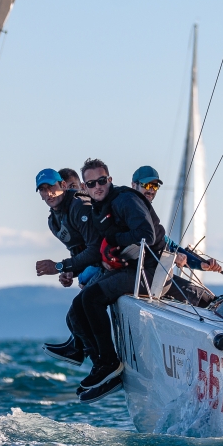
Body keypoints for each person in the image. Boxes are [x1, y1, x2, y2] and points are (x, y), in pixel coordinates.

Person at [67, 158, 168, 403]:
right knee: (79, 305)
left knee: (92, 299)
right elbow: (100, 246)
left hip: (150, 271)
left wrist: (115, 238)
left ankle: (110, 363)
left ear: (110, 180)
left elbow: (147, 235)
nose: (97, 187)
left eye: (102, 181)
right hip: (131, 268)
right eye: (91, 184)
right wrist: (69, 266)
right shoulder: (98, 208)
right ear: (85, 186)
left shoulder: (125, 200)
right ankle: (101, 365)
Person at [34, 168, 103, 366]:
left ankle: (102, 364)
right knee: (75, 314)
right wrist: (70, 272)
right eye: (43, 190)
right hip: (92, 266)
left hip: (109, 263)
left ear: (63, 186)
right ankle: (82, 353)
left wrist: (59, 266)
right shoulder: (54, 220)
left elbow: (96, 249)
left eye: (52, 187)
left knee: (77, 311)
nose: (48, 193)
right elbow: (78, 251)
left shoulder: (79, 205)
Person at [131, 165, 223, 308]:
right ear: (133, 185)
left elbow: (169, 245)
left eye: (154, 186)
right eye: (146, 185)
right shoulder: (130, 208)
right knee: (203, 298)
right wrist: (173, 257)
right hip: (138, 276)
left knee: (206, 298)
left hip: (155, 275)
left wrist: (201, 264)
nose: (150, 189)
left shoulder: (147, 211)